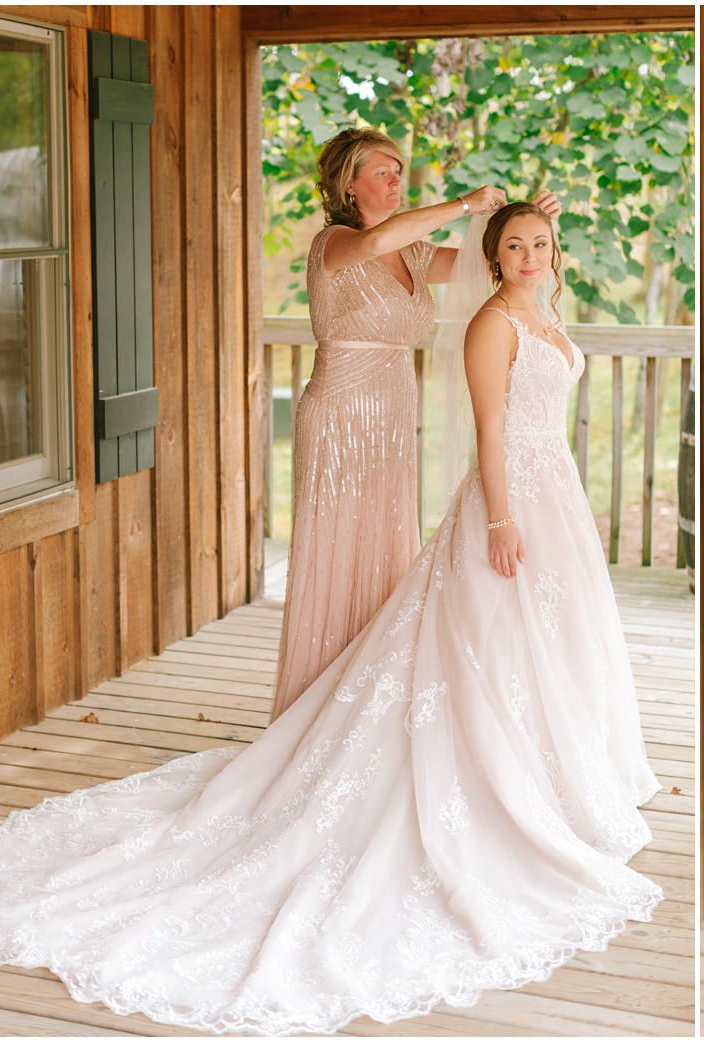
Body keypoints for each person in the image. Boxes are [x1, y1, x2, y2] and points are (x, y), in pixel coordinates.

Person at [0, 202, 662, 1036]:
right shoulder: (491, 324)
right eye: (514, 246)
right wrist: (500, 519)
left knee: (550, 645)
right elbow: (491, 431)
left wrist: (515, 219)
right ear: (496, 262)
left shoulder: (545, 311)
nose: (529, 255)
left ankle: (553, 774)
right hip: (511, 500)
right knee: (483, 643)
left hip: (554, 488)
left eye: (540, 244)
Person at [271, 127, 558, 720]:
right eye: (382, 171)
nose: (397, 179)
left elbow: (497, 269)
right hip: (341, 413)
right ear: (348, 186)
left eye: (399, 169)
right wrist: (463, 205)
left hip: (396, 412)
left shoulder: (417, 253)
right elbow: (378, 245)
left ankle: (367, 704)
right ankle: (313, 708)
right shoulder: (336, 243)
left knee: (385, 554)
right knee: (337, 550)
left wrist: (527, 227)